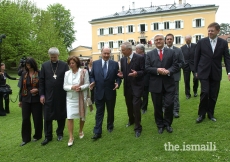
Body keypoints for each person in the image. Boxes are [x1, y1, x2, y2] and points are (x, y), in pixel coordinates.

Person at [194, 22, 230, 123]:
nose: (209, 32)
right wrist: (196, 71)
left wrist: (229, 72)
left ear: (218, 31)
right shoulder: (201, 42)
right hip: (203, 71)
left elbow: (227, 58)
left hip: (216, 72)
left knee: (213, 94)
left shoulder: (223, 43)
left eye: (212, 31)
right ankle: (201, 114)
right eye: (208, 30)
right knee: (205, 93)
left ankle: (210, 113)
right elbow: (196, 57)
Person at [145, 34, 178, 134]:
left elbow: (176, 65)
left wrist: (168, 71)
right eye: (156, 40)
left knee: (169, 104)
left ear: (164, 41)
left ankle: (167, 124)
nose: (158, 41)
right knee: (157, 106)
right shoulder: (149, 54)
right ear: (154, 42)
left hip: (169, 83)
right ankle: (160, 125)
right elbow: (147, 68)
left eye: (160, 39)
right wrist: (157, 70)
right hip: (155, 84)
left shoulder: (172, 52)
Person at [90, 47, 121, 140]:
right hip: (98, 92)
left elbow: (118, 77)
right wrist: (92, 81)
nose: (106, 55)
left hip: (110, 92)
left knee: (110, 111)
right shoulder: (95, 63)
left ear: (110, 54)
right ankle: (97, 131)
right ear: (101, 53)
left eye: (108, 54)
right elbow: (92, 76)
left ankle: (110, 126)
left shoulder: (115, 64)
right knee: (99, 113)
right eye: (105, 53)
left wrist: (118, 83)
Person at [39, 47, 69, 145]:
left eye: (55, 57)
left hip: (61, 95)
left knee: (61, 114)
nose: (53, 59)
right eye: (51, 57)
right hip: (48, 95)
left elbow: (68, 80)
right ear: (49, 56)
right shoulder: (44, 65)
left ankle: (60, 133)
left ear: (58, 56)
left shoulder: (64, 65)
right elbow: (41, 81)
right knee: (47, 116)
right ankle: (48, 136)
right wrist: (42, 95)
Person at [117, 42, 144, 138]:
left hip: (137, 87)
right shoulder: (123, 59)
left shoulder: (140, 58)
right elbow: (125, 73)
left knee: (136, 107)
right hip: (127, 88)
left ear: (129, 50)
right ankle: (131, 120)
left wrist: (137, 73)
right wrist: (122, 75)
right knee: (129, 106)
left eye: (123, 50)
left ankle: (138, 127)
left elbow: (144, 71)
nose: (122, 51)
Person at [63, 56, 89, 146]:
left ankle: (81, 130)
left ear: (77, 63)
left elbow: (87, 84)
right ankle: (71, 137)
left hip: (81, 97)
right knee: (69, 117)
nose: (71, 65)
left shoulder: (84, 72)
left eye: (73, 63)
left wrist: (80, 87)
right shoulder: (67, 73)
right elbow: (64, 86)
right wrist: (72, 87)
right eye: (69, 63)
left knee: (82, 116)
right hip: (70, 98)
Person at [18, 58, 43, 146]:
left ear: (33, 64)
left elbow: (43, 86)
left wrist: (38, 90)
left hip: (36, 100)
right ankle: (26, 138)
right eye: (26, 65)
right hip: (25, 99)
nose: (28, 66)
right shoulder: (24, 74)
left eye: (29, 64)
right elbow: (21, 88)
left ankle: (38, 135)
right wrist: (20, 100)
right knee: (25, 119)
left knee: (37, 118)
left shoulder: (39, 73)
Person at [165, 33, 185, 118]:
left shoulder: (178, 50)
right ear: (165, 40)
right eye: (168, 39)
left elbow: (182, 62)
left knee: (175, 94)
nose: (169, 40)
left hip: (175, 75)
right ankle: (165, 109)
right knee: (164, 93)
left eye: (170, 39)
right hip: (164, 76)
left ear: (173, 40)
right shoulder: (162, 50)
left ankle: (175, 110)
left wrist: (174, 69)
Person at [181, 35, 199, 99]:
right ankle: (187, 94)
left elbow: (198, 55)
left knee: (196, 78)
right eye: (186, 40)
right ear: (185, 40)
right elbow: (181, 57)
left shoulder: (195, 46)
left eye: (188, 39)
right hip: (186, 66)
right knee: (186, 80)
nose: (187, 41)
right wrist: (183, 65)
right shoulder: (182, 48)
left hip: (194, 65)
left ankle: (195, 91)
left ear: (191, 39)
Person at [135, 44, 150, 114]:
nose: (135, 50)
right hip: (137, 78)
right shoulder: (135, 57)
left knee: (145, 94)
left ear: (141, 50)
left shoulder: (147, 57)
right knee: (137, 94)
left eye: (137, 49)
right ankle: (141, 105)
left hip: (145, 78)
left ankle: (144, 108)